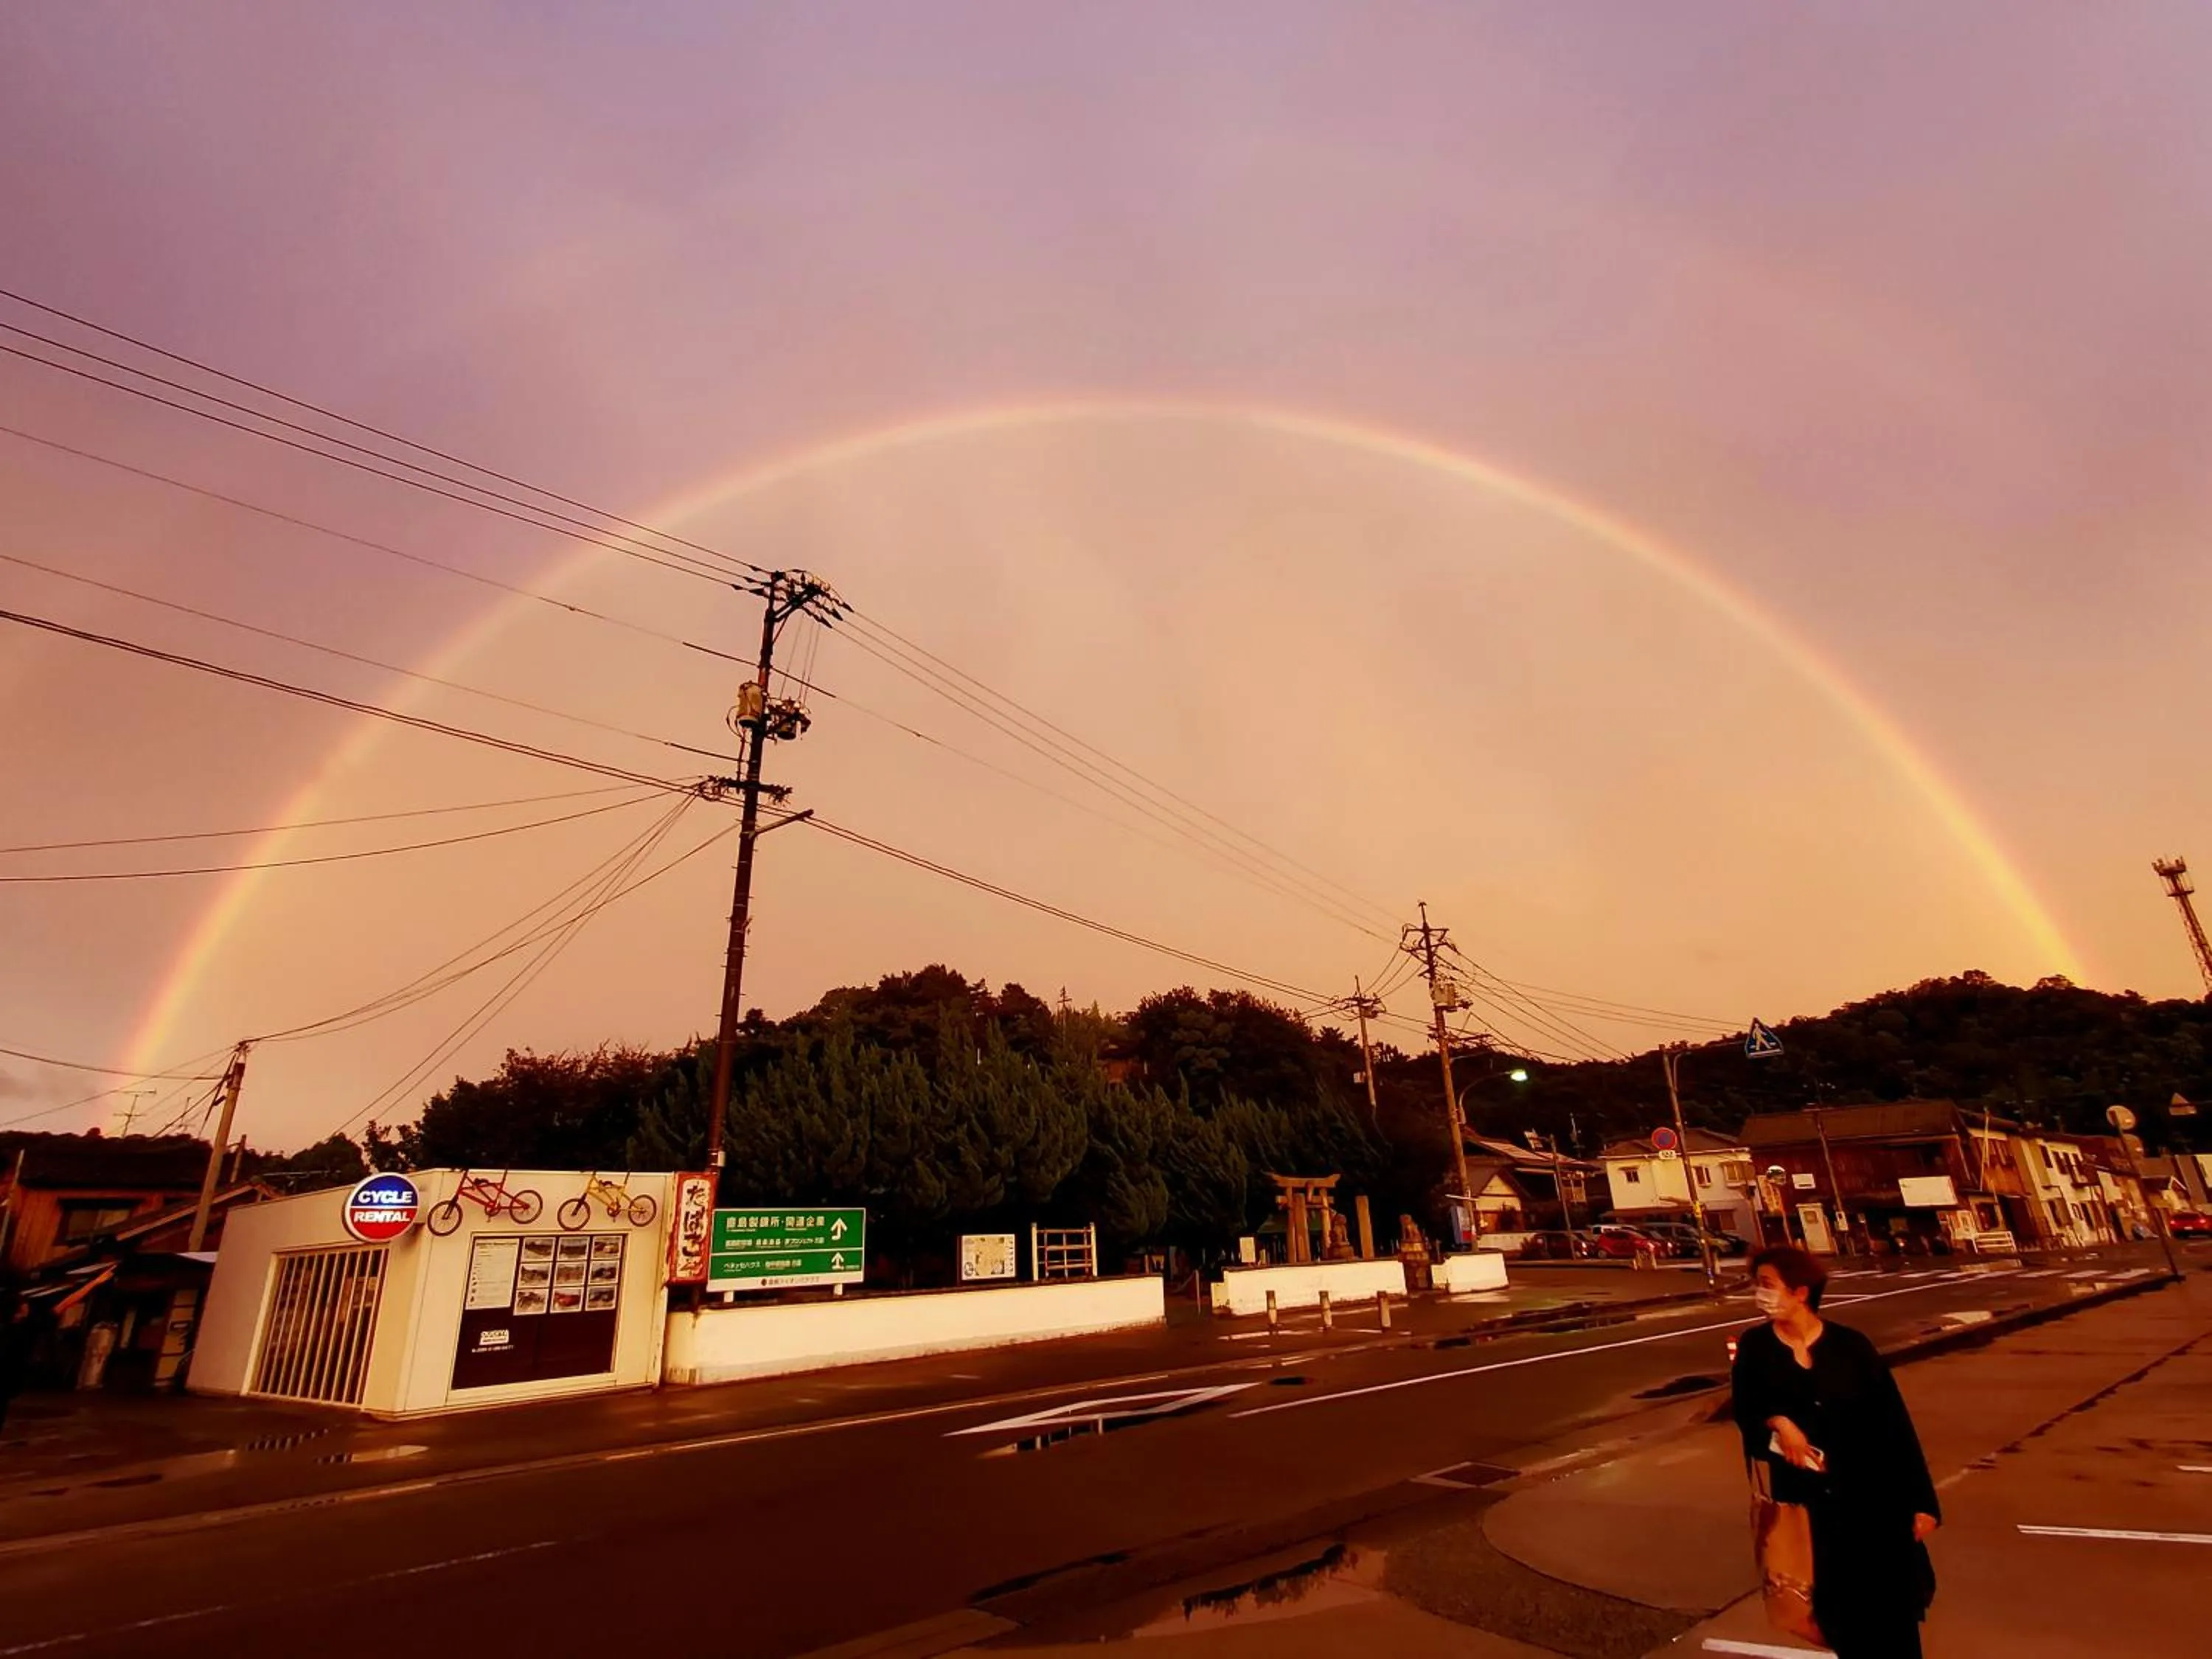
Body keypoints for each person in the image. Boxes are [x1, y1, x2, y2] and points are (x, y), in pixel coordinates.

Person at [1732, 1244, 1940, 1658]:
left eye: (1769, 1285)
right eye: (1759, 1285)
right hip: (1810, 1512)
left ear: (1800, 1292)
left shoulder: (1851, 1347)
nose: (1760, 1294)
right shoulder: (1756, 1349)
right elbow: (1746, 1415)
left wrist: (1923, 1503)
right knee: (1837, 1620)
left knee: (1894, 1619)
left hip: (1875, 1503)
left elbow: (1894, 1426)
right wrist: (1778, 1422)